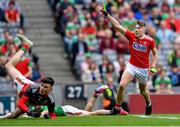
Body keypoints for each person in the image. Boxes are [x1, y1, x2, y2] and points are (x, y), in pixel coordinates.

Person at [100, 7, 158, 115]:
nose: (136, 30)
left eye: (138, 28)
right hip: (132, 66)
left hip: (143, 69)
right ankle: (117, 108)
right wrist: (107, 15)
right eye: (135, 28)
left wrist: (153, 65)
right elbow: (117, 26)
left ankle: (148, 104)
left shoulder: (150, 41)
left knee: (143, 91)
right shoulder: (131, 36)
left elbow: (155, 53)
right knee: (121, 85)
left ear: (143, 29)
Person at [1, 34, 56, 119]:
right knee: (8, 66)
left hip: (29, 99)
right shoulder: (32, 88)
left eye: (45, 87)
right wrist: (29, 112)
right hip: (22, 85)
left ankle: (2, 118)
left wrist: (48, 117)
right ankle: (27, 45)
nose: (42, 88)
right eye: (42, 85)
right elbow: (20, 103)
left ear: (51, 89)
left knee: (13, 116)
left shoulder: (50, 99)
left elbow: (53, 116)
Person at [26, 85, 125, 118]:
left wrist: (35, 115)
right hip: (67, 110)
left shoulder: (42, 107)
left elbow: (44, 112)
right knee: (87, 112)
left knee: (91, 114)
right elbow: (26, 113)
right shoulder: (34, 106)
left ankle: (113, 111)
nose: (37, 106)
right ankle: (95, 94)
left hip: (67, 110)